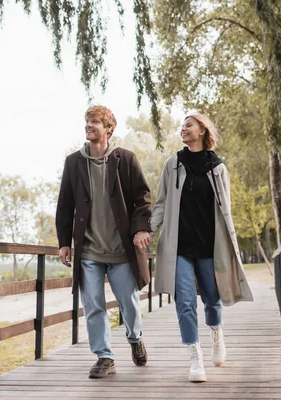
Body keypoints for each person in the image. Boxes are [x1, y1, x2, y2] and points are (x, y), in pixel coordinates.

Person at [146, 113, 253, 382]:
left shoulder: (218, 168)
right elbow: (160, 203)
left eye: (189, 125)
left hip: (210, 247)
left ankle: (216, 333)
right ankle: (195, 357)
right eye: (182, 126)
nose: (183, 129)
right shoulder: (172, 165)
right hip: (179, 246)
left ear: (203, 131)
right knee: (184, 302)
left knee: (212, 301)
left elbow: (225, 211)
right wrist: (148, 231)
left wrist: (232, 242)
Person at [55, 104, 152, 379]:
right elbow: (65, 204)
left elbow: (142, 200)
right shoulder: (74, 162)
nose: (89, 126)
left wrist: (141, 229)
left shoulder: (126, 159)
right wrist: (64, 241)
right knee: (93, 304)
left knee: (128, 302)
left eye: (95, 122)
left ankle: (135, 338)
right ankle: (104, 356)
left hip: (121, 248)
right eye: (87, 121)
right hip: (89, 250)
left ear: (108, 129)